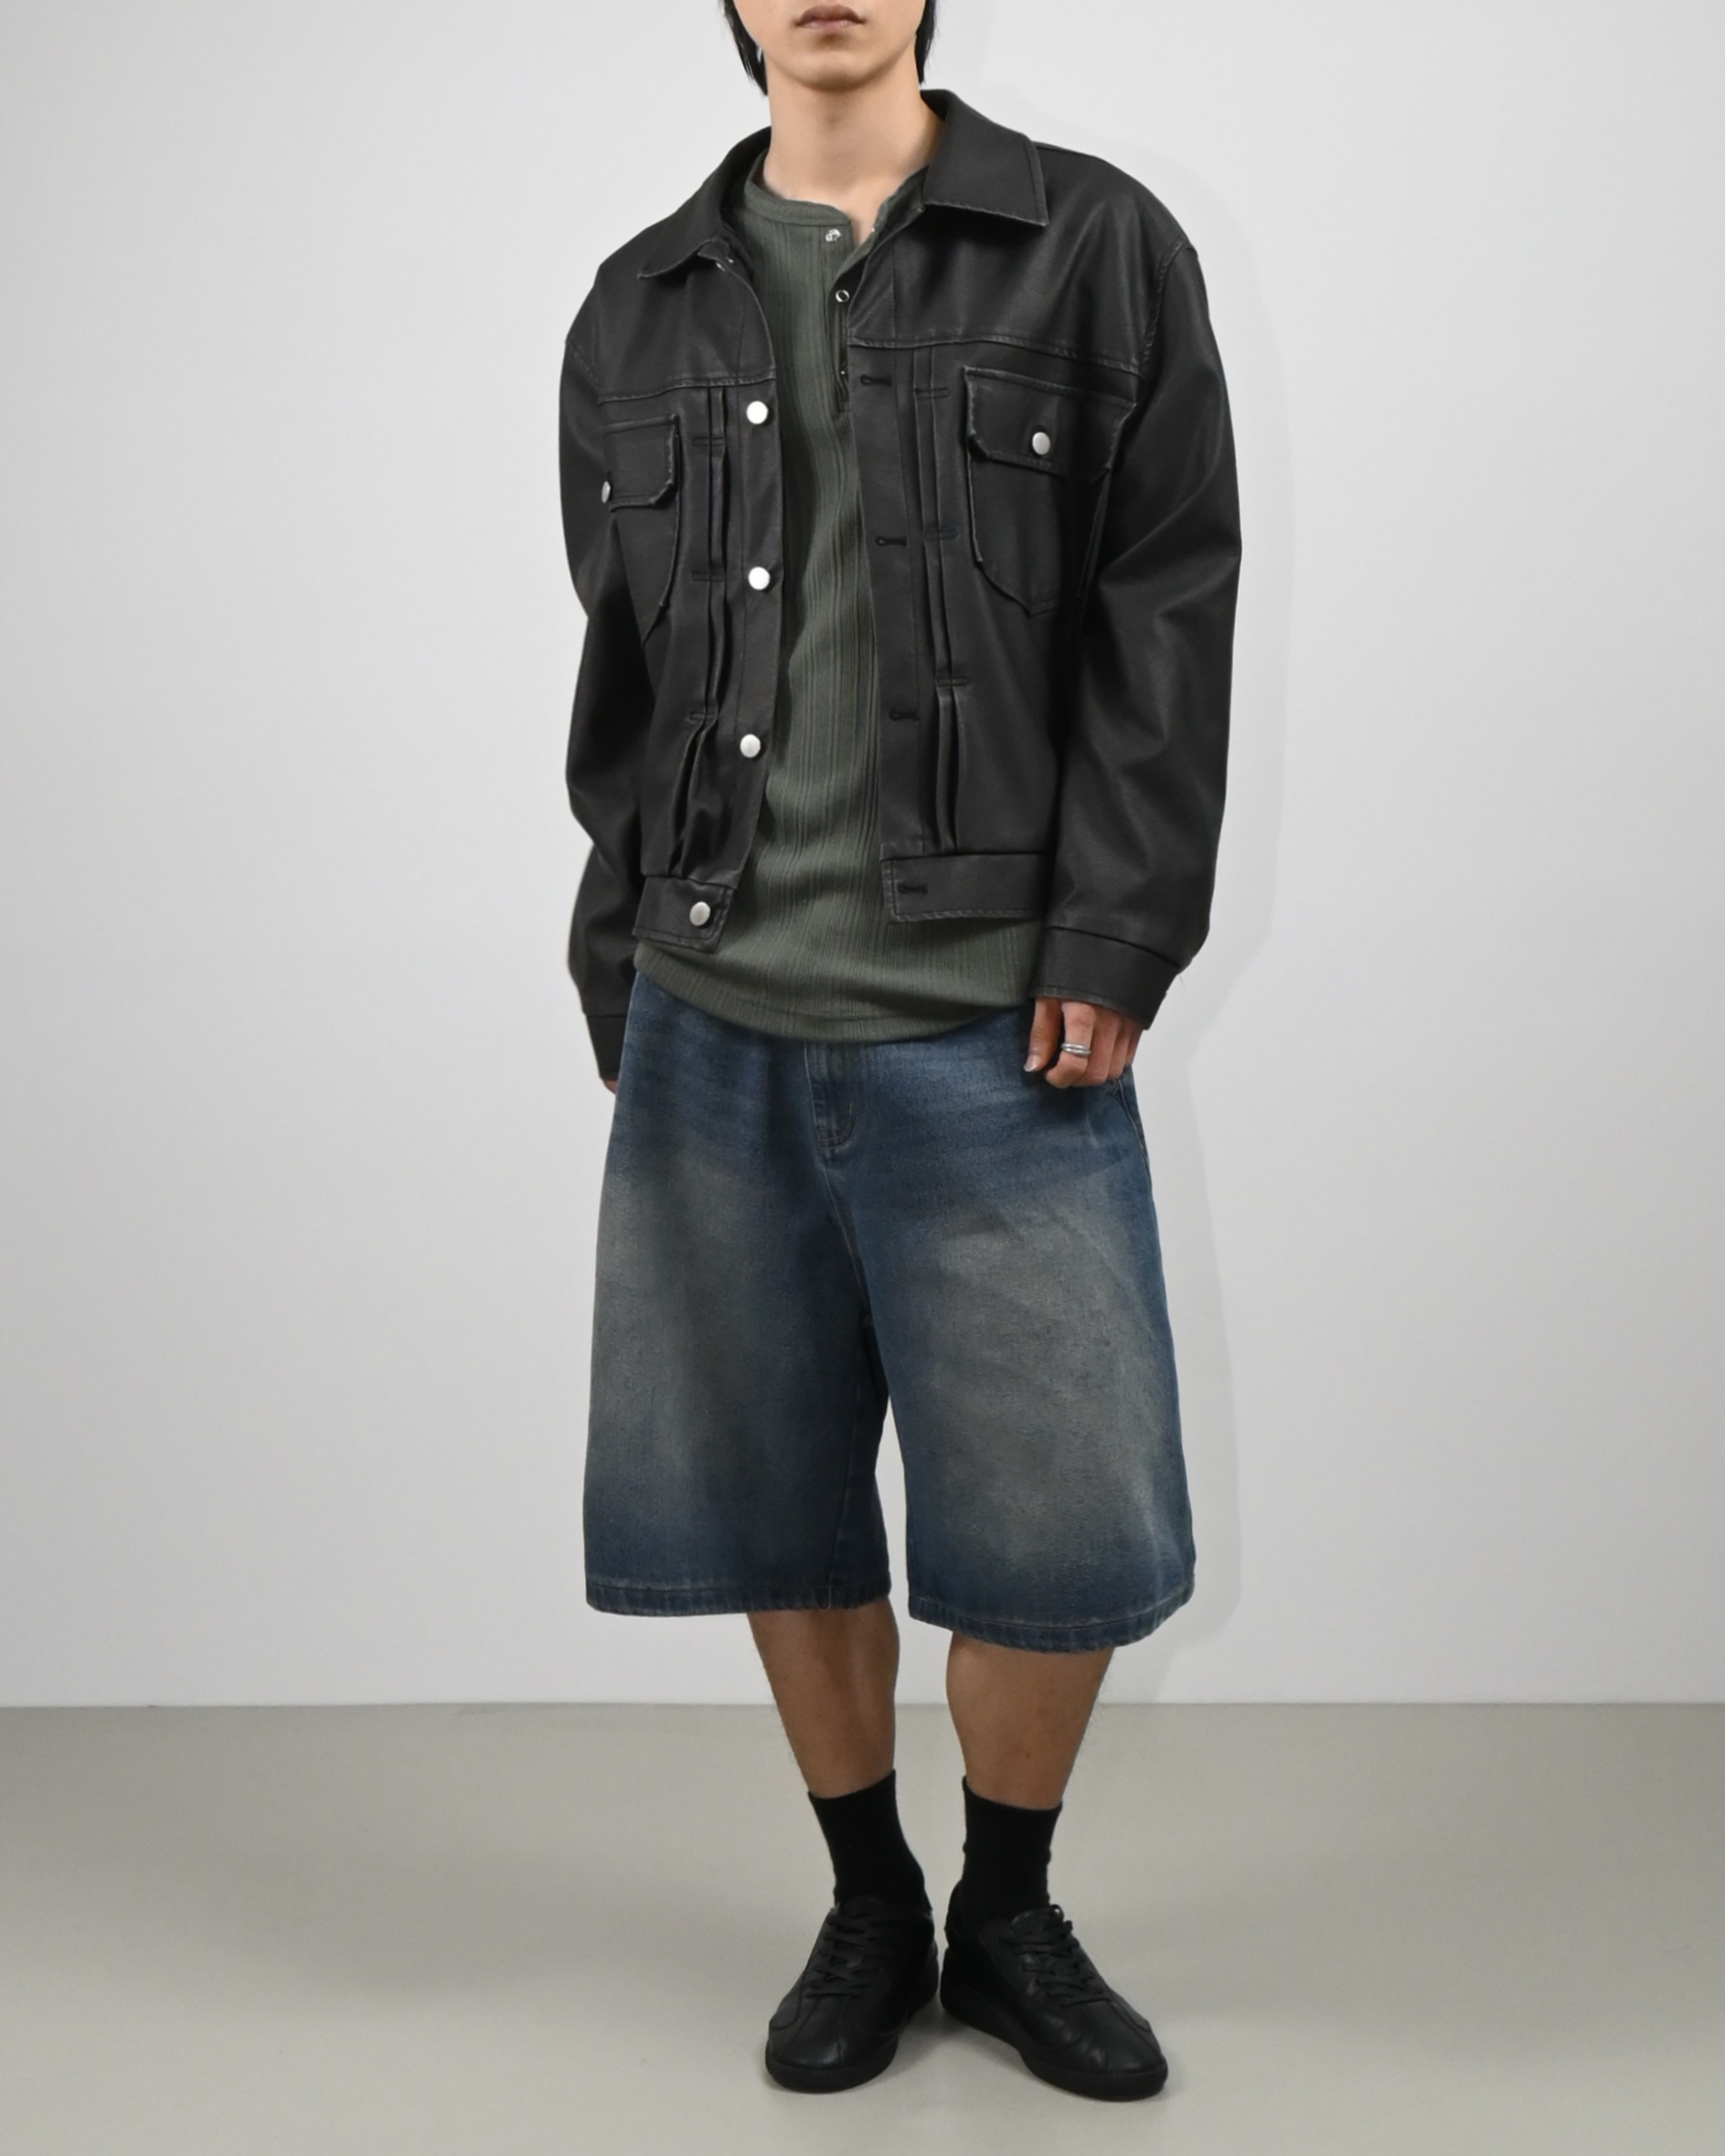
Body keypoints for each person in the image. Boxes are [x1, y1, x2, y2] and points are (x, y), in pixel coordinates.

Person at [558, 0, 1239, 2102]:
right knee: (775, 1503)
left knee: (1059, 1526)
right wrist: (621, 960)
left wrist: (1114, 925)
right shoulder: (637, 305)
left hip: (998, 1025)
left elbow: (1164, 602)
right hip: (714, 1013)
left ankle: (1003, 1912)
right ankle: (868, 1899)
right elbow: (625, 671)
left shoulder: (1090, 245)